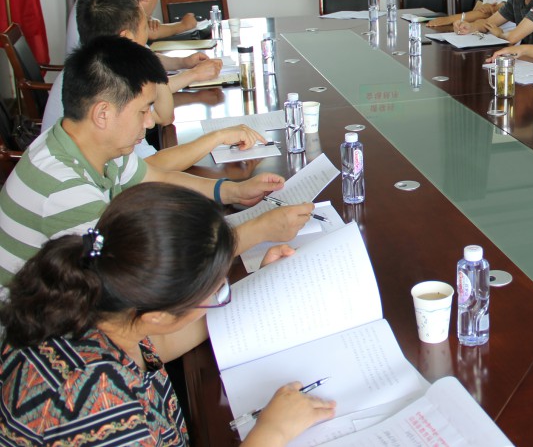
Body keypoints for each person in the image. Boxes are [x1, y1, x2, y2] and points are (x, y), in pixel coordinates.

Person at [0, 183, 336, 446]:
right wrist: (273, 432)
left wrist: (259, 285)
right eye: (216, 291)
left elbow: (156, 346)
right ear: (158, 315)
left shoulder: (97, 303)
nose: (219, 295)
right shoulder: (95, 402)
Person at [0, 36, 311, 285]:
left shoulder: (85, 143)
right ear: (103, 113)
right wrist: (258, 231)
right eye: (143, 110)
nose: (150, 121)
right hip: (37, 334)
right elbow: (146, 275)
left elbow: (154, 176)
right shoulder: (65, 190)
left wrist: (232, 191)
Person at [41, 0, 260, 170]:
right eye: (145, 24)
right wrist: (218, 137)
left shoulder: (96, 67)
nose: (150, 32)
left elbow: (162, 118)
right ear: (126, 38)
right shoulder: (111, 86)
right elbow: (152, 165)